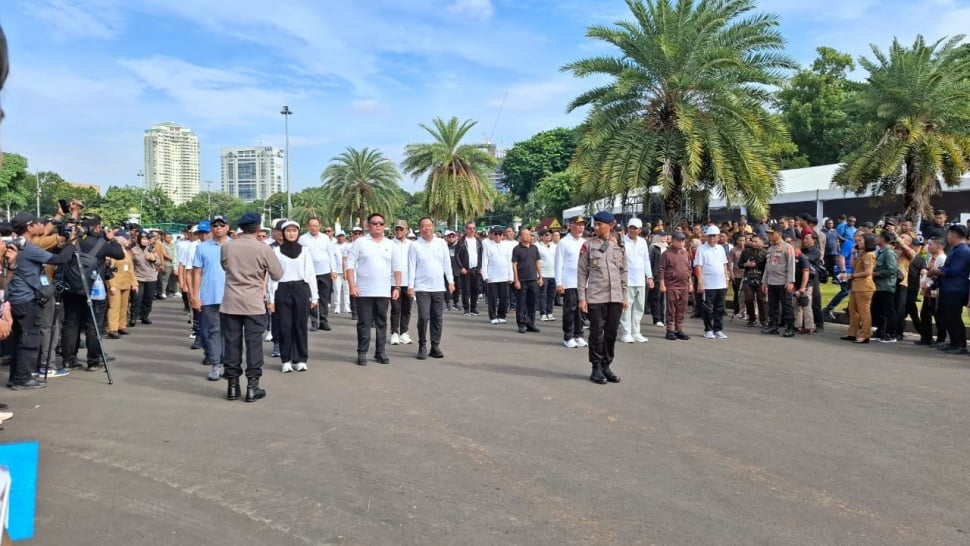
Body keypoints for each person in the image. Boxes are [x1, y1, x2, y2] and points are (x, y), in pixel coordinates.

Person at [5, 213, 79, 388]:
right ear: (29, 227)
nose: (42, 226)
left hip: (17, 298)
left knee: (19, 339)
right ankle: (23, 379)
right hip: (27, 299)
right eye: (38, 223)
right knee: (29, 339)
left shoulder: (17, 246)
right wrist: (72, 243)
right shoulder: (28, 248)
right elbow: (59, 260)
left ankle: (16, 376)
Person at [220, 212, 283, 402]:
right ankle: (252, 386)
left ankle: (232, 386)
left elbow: (225, 267)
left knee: (232, 344)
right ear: (258, 228)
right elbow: (277, 274)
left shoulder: (227, 247)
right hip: (253, 303)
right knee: (254, 344)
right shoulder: (263, 249)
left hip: (230, 302)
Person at [58, 215, 125, 372]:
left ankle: (69, 360)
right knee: (93, 326)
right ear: (97, 227)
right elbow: (120, 254)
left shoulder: (73, 242)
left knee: (71, 323)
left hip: (72, 289)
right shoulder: (102, 244)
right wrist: (112, 239)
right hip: (94, 290)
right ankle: (93, 361)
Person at [577, 211, 628, 385]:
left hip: (615, 297)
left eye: (600, 224)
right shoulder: (588, 246)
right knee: (596, 333)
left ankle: (607, 365)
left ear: (610, 225)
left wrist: (625, 296)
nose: (596, 227)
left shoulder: (618, 246)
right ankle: (596, 367)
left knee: (612, 333)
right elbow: (582, 273)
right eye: (595, 224)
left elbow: (623, 272)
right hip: (596, 296)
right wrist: (582, 298)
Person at [346, 213, 403, 366]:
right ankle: (362, 352)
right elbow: (349, 265)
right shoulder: (360, 243)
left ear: (384, 226)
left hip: (383, 291)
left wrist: (397, 286)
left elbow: (397, 268)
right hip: (363, 291)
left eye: (381, 223)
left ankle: (380, 352)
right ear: (368, 225)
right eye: (374, 223)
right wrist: (352, 285)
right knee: (364, 323)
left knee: (382, 323)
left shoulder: (391, 244)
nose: (378, 226)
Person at [268, 220, 318, 373]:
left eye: (294, 231)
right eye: (288, 231)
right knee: (285, 326)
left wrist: (314, 296)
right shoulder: (275, 251)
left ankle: (301, 359)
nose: (291, 234)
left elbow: (310, 273)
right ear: (282, 233)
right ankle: (286, 360)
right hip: (282, 290)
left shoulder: (304, 251)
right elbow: (272, 277)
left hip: (301, 289)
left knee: (300, 325)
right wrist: (270, 298)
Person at [407, 217, 455, 359]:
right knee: (423, 317)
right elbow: (411, 266)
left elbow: (447, 264)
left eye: (429, 226)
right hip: (422, 287)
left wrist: (451, 281)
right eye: (423, 226)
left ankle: (435, 346)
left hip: (438, 287)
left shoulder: (441, 243)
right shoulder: (415, 245)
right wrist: (411, 286)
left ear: (433, 227)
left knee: (437, 317)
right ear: (419, 229)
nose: (427, 228)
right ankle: (422, 345)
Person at [191, 215, 231, 381]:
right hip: (210, 296)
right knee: (214, 332)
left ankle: (229, 364)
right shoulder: (203, 248)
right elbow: (197, 272)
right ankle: (216, 364)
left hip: (232, 296)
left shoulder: (235, 246)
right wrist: (195, 295)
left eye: (222, 225)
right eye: (215, 225)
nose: (218, 228)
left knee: (231, 332)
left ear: (227, 227)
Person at [928, 225, 970, 354]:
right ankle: (953, 342)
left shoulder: (963, 251)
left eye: (949, 234)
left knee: (954, 317)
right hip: (949, 288)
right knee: (948, 316)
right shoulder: (956, 250)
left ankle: (960, 344)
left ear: (954, 235)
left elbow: (955, 270)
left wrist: (938, 271)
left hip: (956, 289)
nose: (947, 237)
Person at [298, 218, 339, 332]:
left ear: (320, 226)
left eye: (316, 226)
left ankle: (324, 321)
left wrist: (333, 270)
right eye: (311, 226)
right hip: (309, 273)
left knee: (324, 298)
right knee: (312, 298)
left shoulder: (325, 238)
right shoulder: (302, 239)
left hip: (325, 272)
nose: (313, 228)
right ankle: (314, 322)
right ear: (308, 226)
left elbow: (331, 254)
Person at [619, 218, 654, 343]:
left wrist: (649, 276)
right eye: (631, 227)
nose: (633, 230)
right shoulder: (621, 241)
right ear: (627, 228)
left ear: (640, 230)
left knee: (639, 308)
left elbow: (646, 260)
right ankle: (626, 333)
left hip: (640, 280)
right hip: (627, 280)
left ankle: (636, 332)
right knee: (626, 308)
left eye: (636, 228)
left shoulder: (643, 242)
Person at [555, 216, 588, 348]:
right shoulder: (563, 242)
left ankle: (578, 335)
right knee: (570, 310)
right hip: (569, 281)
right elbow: (558, 264)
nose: (581, 227)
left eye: (582, 225)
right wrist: (559, 282)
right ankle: (568, 336)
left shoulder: (584, 242)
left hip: (583, 282)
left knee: (582, 310)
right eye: (578, 224)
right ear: (571, 225)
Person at [694, 226, 730, 339]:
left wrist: (726, 278)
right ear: (706, 236)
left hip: (721, 283)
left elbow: (724, 265)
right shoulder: (701, 249)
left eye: (714, 236)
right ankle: (708, 330)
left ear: (718, 237)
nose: (712, 238)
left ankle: (718, 329)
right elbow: (698, 267)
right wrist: (700, 282)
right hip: (708, 284)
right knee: (708, 308)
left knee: (719, 308)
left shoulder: (720, 248)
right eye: (710, 236)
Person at [761, 227, 796, 337]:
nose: (769, 235)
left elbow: (791, 266)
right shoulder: (771, 248)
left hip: (783, 282)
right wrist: (764, 281)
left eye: (772, 233)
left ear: (779, 234)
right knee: (772, 306)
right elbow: (768, 266)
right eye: (768, 233)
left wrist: (790, 281)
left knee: (787, 306)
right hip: (772, 282)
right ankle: (773, 326)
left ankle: (790, 327)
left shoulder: (787, 247)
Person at [842, 233, 877, 344]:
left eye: (861, 241)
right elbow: (853, 265)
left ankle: (865, 335)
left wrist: (852, 276)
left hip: (864, 287)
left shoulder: (869, 255)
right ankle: (852, 333)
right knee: (853, 310)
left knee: (864, 312)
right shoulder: (862, 254)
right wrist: (853, 253)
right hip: (856, 286)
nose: (858, 242)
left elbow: (868, 272)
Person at [658, 232, 692, 340]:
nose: (681, 243)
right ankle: (669, 329)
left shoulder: (685, 253)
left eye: (682, 240)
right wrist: (662, 284)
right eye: (678, 240)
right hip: (671, 285)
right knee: (671, 309)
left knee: (682, 309)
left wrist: (690, 283)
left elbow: (689, 269)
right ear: (672, 241)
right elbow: (661, 269)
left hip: (684, 285)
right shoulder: (666, 254)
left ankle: (679, 329)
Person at [105, 230, 136, 339]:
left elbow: (131, 269)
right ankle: (112, 328)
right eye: (126, 238)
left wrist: (134, 283)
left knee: (124, 306)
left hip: (125, 282)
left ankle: (121, 325)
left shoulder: (127, 252)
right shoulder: (112, 252)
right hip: (115, 283)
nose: (129, 240)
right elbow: (108, 270)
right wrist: (111, 284)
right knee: (115, 306)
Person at [511, 226, 543, 334]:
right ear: (520, 236)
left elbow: (538, 263)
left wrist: (540, 277)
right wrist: (516, 280)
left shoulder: (534, 248)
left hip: (533, 279)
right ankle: (521, 324)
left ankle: (531, 323)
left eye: (529, 234)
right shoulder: (517, 249)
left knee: (532, 302)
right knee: (521, 303)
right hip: (522, 280)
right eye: (525, 234)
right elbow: (514, 265)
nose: (528, 236)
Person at [916, 237, 946, 346]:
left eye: (931, 245)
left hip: (935, 291)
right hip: (929, 290)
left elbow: (936, 275)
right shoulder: (931, 258)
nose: (928, 247)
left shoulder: (942, 258)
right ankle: (926, 337)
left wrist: (927, 276)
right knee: (925, 313)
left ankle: (941, 339)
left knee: (937, 315)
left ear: (939, 246)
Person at [389, 220, 414, 345]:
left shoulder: (411, 244)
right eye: (397, 229)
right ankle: (394, 332)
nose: (399, 231)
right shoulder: (389, 244)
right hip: (393, 282)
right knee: (395, 308)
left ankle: (404, 332)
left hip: (408, 281)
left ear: (406, 230)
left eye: (401, 229)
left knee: (407, 308)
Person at [871, 232, 899, 343]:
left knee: (888, 311)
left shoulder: (889, 253)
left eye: (878, 237)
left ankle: (891, 334)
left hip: (886, 286)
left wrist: (876, 274)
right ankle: (881, 332)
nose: (876, 239)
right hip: (878, 286)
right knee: (880, 310)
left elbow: (892, 270)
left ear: (883, 239)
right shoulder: (881, 252)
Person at [482, 227, 513, 324]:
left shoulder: (506, 246)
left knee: (504, 298)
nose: (498, 236)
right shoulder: (488, 245)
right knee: (492, 298)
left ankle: (502, 315)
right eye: (496, 234)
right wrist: (485, 275)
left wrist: (510, 276)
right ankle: (493, 316)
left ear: (503, 235)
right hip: (492, 276)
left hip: (504, 275)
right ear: (492, 235)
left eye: (500, 234)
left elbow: (509, 262)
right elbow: (485, 261)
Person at [129, 231, 159, 325]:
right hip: (138, 277)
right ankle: (133, 317)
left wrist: (153, 259)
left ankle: (145, 316)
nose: (144, 241)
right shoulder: (134, 250)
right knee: (137, 298)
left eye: (146, 239)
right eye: (143, 239)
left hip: (150, 277)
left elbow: (158, 262)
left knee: (148, 298)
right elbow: (130, 264)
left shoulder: (151, 249)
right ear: (139, 239)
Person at [738, 236, 768, 327]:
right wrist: (746, 264)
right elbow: (739, 264)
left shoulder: (765, 253)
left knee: (761, 299)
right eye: (752, 241)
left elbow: (768, 267)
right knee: (748, 299)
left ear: (762, 242)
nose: (753, 243)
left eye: (756, 241)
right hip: (749, 277)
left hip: (761, 278)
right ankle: (751, 318)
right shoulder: (746, 251)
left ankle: (764, 320)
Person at [455, 221, 482, 316]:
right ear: (466, 229)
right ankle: (466, 309)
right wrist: (461, 267)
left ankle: (473, 308)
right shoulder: (461, 242)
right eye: (470, 228)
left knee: (475, 289)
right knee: (466, 290)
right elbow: (456, 255)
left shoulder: (478, 241)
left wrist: (480, 267)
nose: (472, 230)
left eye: (473, 228)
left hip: (476, 269)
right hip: (466, 269)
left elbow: (482, 255)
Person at [536, 230, 557, 321]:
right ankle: (543, 313)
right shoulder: (537, 246)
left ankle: (549, 312)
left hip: (553, 274)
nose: (549, 236)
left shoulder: (555, 246)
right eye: (546, 235)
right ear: (541, 237)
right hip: (543, 274)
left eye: (550, 234)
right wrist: (539, 276)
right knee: (543, 294)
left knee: (551, 295)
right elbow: (536, 261)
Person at [332, 230, 350, 314]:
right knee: (337, 289)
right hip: (336, 272)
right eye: (339, 236)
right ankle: (337, 306)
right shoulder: (333, 246)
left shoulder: (348, 245)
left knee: (347, 289)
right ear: (336, 237)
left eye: (342, 236)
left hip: (346, 271)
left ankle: (346, 305)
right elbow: (331, 259)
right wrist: (332, 270)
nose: (341, 237)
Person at [445, 230, 462, 311]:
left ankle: (456, 302)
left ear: (456, 237)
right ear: (446, 238)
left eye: (453, 236)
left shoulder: (459, 247)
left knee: (457, 287)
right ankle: (447, 302)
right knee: (447, 287)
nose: (451, 238)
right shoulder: (444, 247)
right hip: (447, 271)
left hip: (457, 270)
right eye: (449, 237)